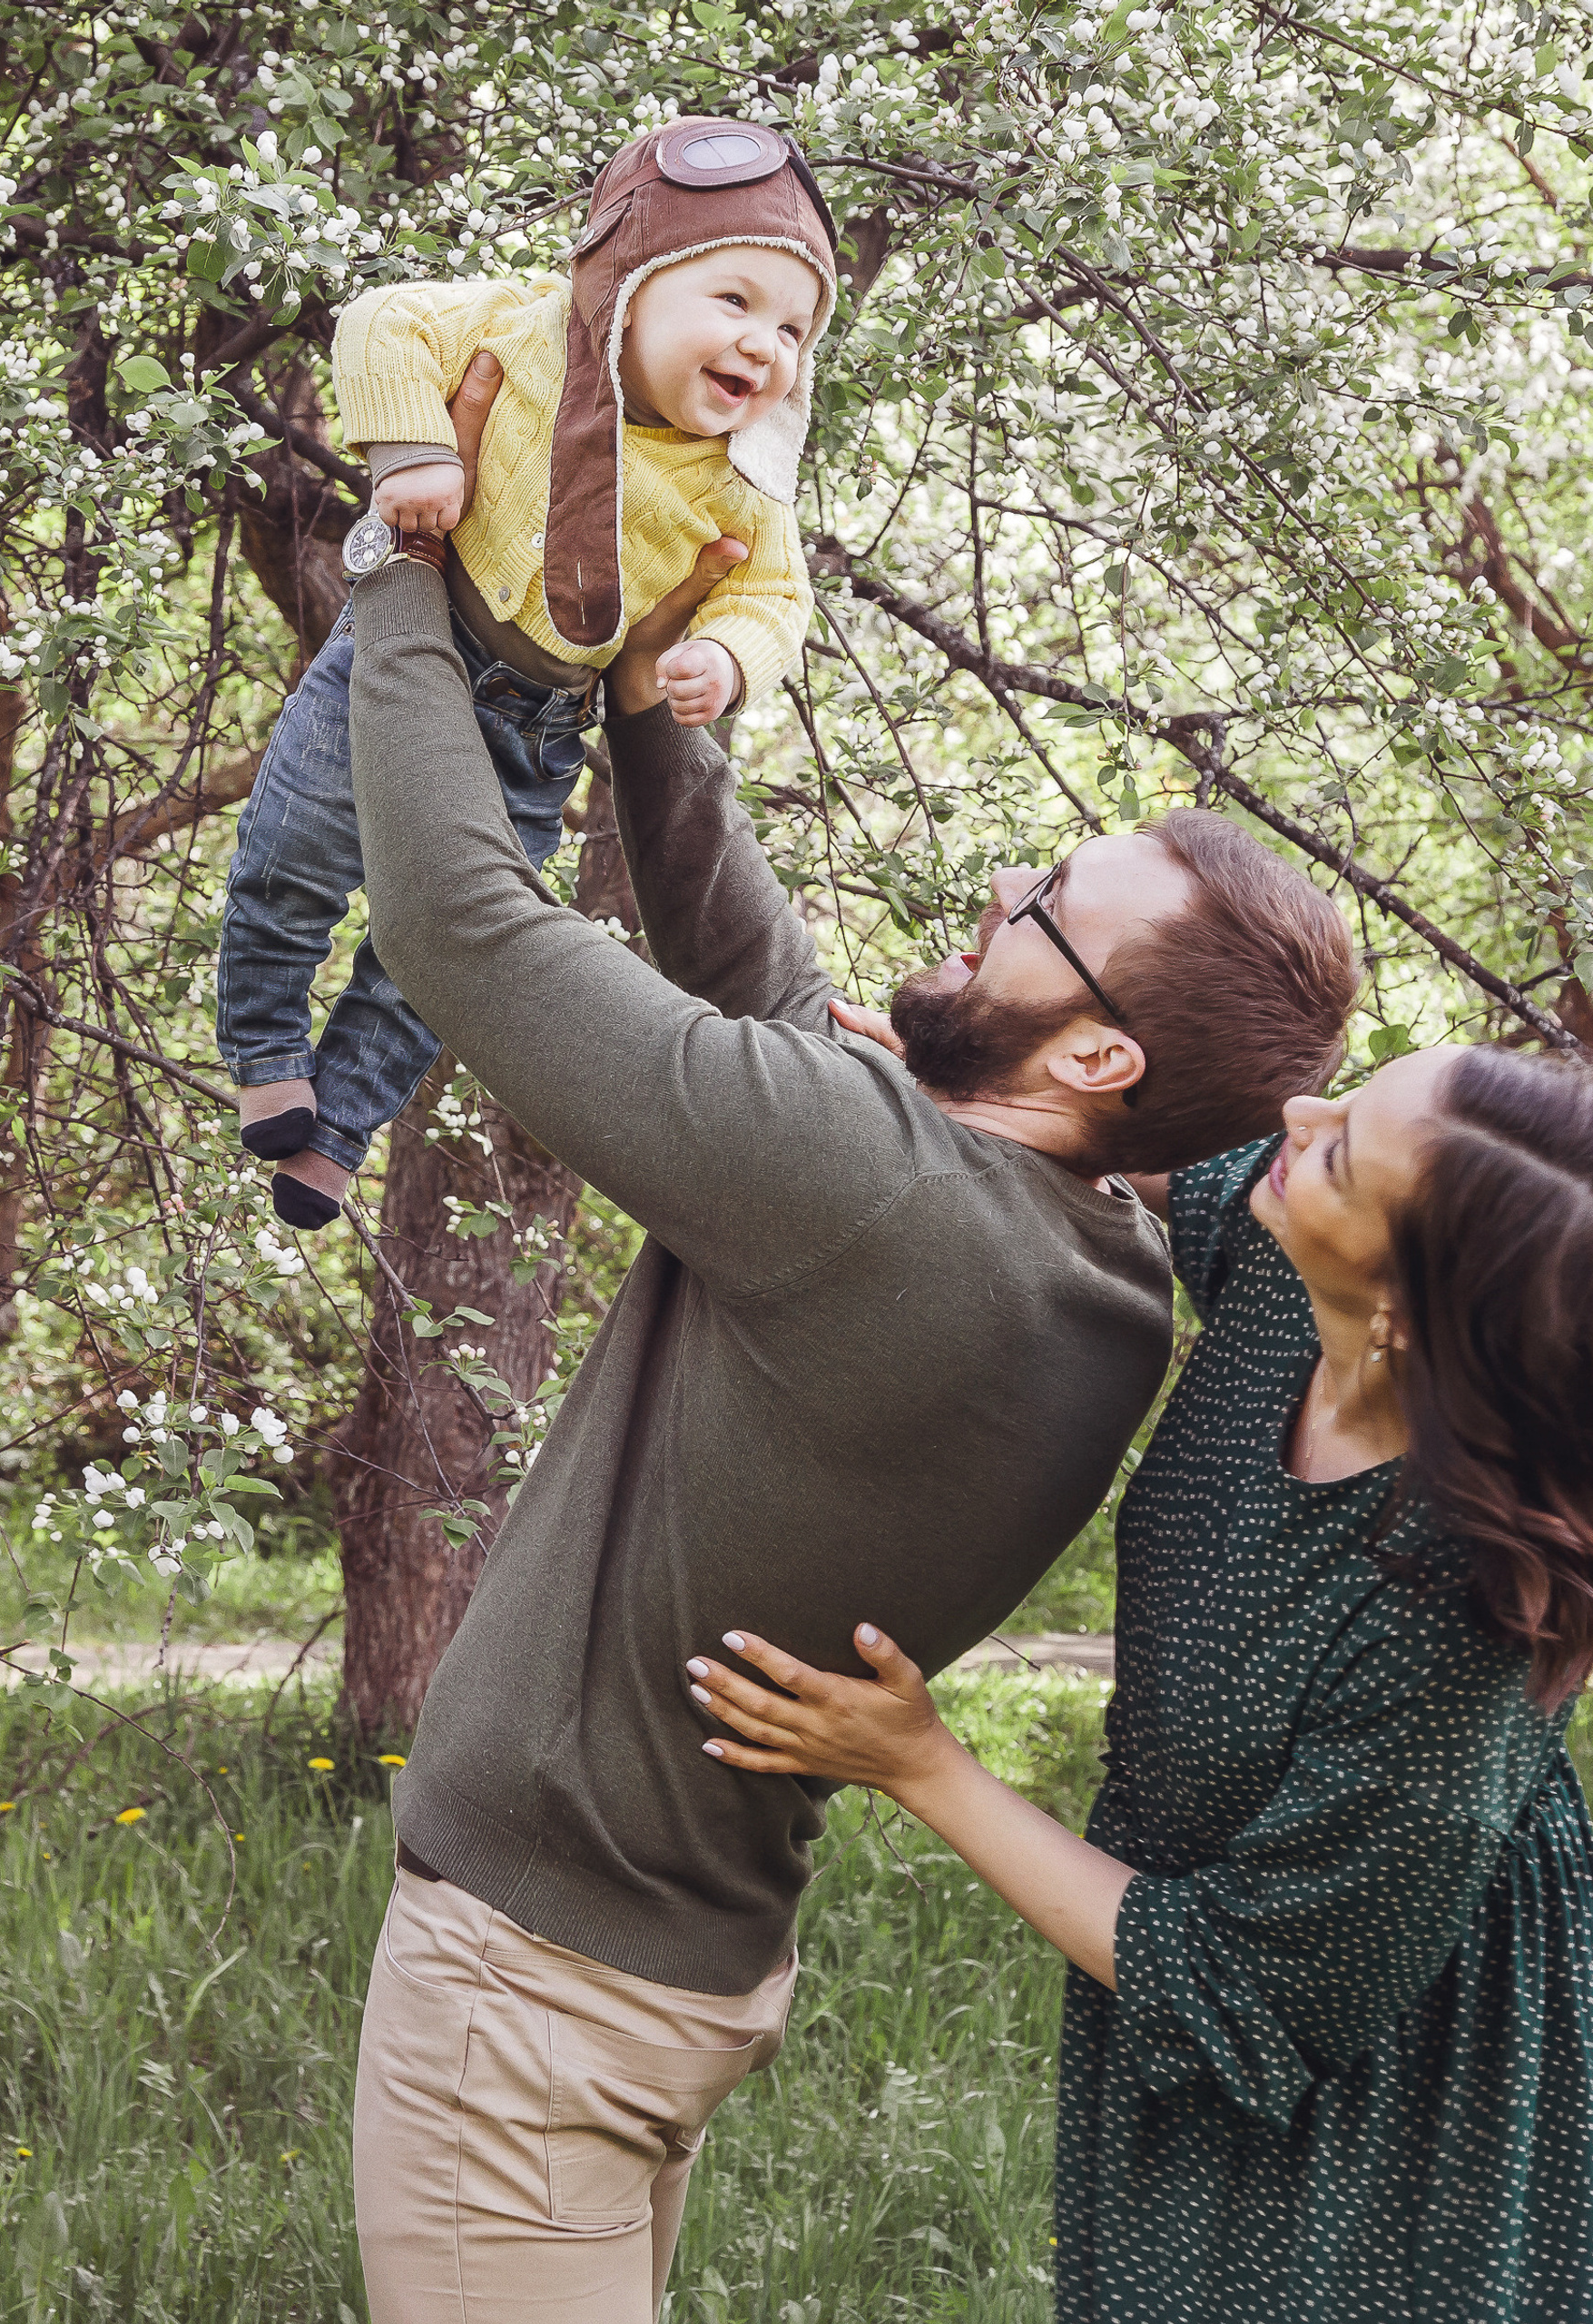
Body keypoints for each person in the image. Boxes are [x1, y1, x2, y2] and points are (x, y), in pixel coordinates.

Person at [338, 356, 1362, 2323]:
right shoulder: (1082, 1266)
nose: (998, 889)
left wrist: (399, 549)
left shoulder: (875, 1188)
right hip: (655, 1966)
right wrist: (650, 709)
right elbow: (777, 1005)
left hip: (534, 1990)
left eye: (1044, 908)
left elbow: (455, 920)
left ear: (1089, 1053)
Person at [687, 1044, 1593, 2319]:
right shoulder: (1297, 1261)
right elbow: (1167, 1164)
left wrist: (920, 1766)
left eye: (1339, 1147)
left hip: (1380, 2057)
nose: (1297, 1112)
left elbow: (1247, 1988)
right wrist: (991, 1080)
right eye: (1352, 1090)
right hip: (1203, 1931)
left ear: (1408, 1314)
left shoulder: (1452, 1624)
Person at [218, 118, 838, 1231]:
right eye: (734, 302)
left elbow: (773, 595)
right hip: (406, 652)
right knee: (292, 849)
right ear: (631, 284)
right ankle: (264, 1052)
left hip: (538, 725)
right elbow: (379, 323)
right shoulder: (526, 331)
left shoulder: (745, 478)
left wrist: (723, 658)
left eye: (794, 327)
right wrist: (416, 452)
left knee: (445, 948)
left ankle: (343, 1125)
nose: (766, 345)